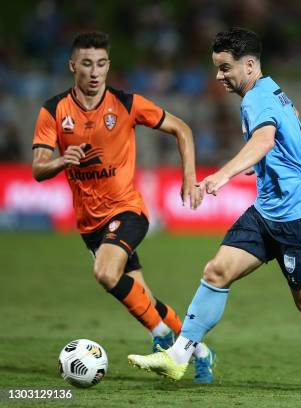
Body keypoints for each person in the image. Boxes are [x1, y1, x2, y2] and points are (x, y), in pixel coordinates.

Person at [127, 27, 301, 381]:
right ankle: (179, 356)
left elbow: (264, 140)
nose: (219, 76)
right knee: (217, 271)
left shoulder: (256, 98)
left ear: (250, 64)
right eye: (216, 68)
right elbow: (285, 131)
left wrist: (223, 175)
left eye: (225, 68)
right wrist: (267, 168)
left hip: (300, 217)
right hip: (266, 211)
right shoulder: (272, 91)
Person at [31, 32, 214, 383]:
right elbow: (39, 167)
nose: (95, 71)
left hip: (127, 210)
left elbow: (182, 128)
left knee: (105, 274)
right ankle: (202, 351)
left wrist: (189, 176)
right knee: (141, 296)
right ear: (73, 66)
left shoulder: (126, 104)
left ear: (108, 66)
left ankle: (161, 335)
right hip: (89, 224)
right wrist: (61, 162)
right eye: (87, 63)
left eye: (101, 64)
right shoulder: (53, 111)